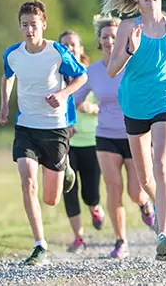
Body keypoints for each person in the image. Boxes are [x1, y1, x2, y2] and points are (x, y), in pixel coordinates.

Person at [101, 0, 166, 261]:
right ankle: (157, 209)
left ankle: (163, 234)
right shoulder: (128, 27)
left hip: (164, 101)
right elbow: (112, 70)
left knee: (161, 165)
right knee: (144, 178)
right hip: (134, 105)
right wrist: (129, 50)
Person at [0, 0, 87, 265]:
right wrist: (4, 106)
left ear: (43, 25)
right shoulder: (13, 54)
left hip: (55, 129)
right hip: (26, 127)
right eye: (24, 25)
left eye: (34, 25)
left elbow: (81, 76)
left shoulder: (57, 51)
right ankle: (40, 245)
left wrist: (63, 93)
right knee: (27, 179)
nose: (29, 30)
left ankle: (65, 168)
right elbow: (7, 76)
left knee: (51, 199)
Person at [72, 15, 156, 258]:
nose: (109, 41)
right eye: (105, 36)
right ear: (98, 40)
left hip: (135, 134)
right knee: (113, 188)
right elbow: (74, 98)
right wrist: (74, 114)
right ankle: (121, 241)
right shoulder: (93, 71)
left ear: (123, 37)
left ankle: (144, 204)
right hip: (106, 136)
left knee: (134, 191)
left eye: (114, 36)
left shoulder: (134, 65)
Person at [57, 30, 106, 254]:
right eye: (64, 45)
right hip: (66, 143)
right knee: (68, 190)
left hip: (92, 141)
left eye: (73, 44)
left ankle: (95, 208)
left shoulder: (92, 74)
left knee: (90, 193)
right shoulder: (54, 76)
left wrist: (91, 108)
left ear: (81, 49)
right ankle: (78, 238)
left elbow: (108, 104)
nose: (69, 48)